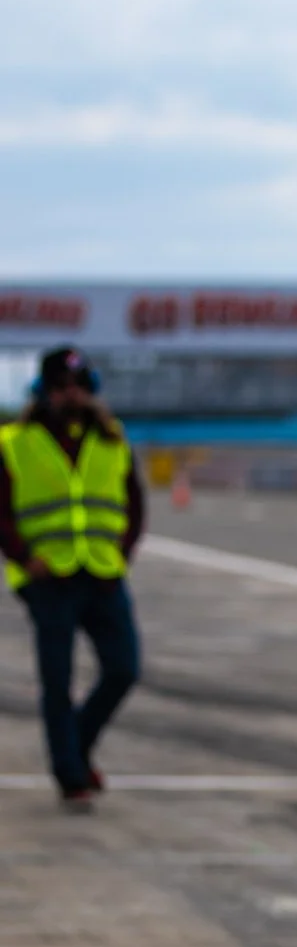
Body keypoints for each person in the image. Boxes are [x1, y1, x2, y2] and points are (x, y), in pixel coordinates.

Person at [3, 346, 143, 810]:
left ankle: (76, 748)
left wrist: (123, 550)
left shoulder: (112, 438)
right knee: (57, 681)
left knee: (124, 668)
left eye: (79, 387)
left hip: (103, 573)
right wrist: (24, 558)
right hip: (50, 578)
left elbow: (133, 502)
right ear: (44, 392)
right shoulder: (15, 442)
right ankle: (70, 776)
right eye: (62, 387)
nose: (72, 395)